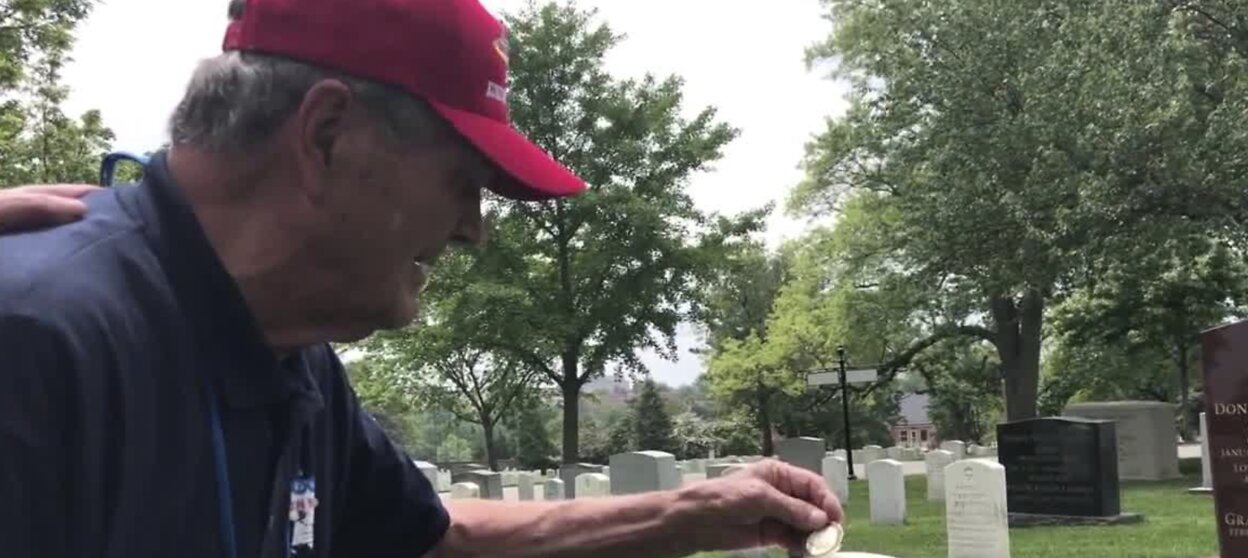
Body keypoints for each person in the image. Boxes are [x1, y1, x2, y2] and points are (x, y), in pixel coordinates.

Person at [0, 0, 843, 557]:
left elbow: (431, 538)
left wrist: (686, 513)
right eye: (463, 181)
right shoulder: (37, 339)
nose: (474, 230)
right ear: (327, 136)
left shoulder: (292, 358)